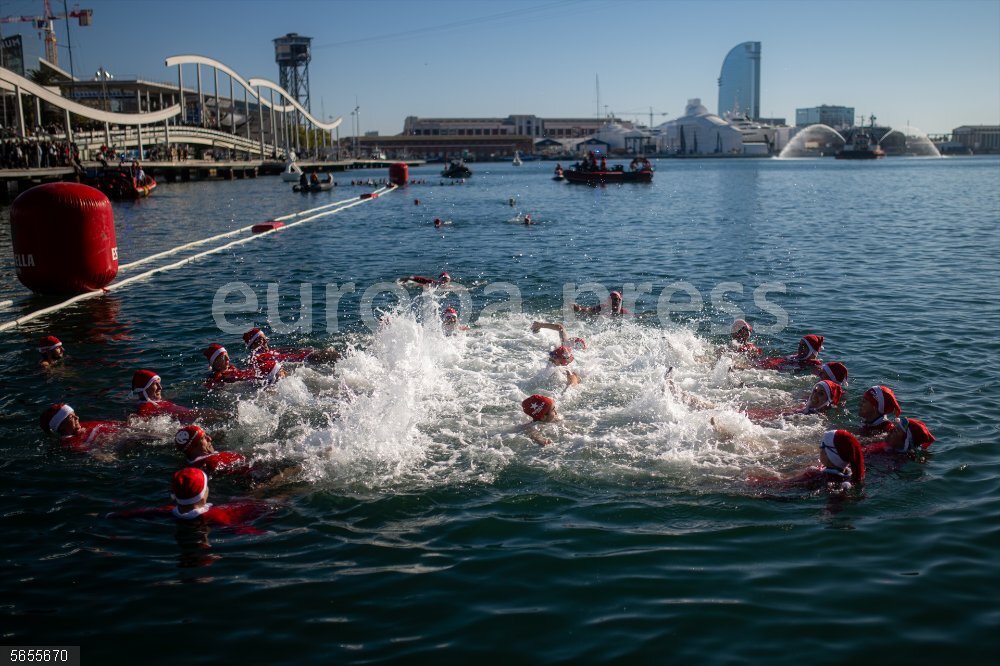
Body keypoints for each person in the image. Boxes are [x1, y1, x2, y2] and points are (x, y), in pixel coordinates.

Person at [105, 467, 272, 532]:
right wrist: (267, 534)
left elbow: (137, 513)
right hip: (260, 509)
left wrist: (111, 515)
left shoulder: (168, 512)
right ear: (204, 493)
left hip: (233, 505)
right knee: (274, 495)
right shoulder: (216, 517)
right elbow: (243, 530)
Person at [753, 430, 865, 491]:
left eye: (823, 445)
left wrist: (754, 483)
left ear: (830, 455)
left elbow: (782, 485)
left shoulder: (813, 475)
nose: (819, 448)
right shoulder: (847, 474)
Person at [39, 403, 128, 454]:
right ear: (61, 425)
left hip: (125, 432)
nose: (77, 417)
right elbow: (96, 453)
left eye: (75, 414)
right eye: (71, 417)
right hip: (122, 441)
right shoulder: (70, 444)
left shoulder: (81, 425)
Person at [744, 379, 843, 422]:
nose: (815, 395)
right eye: (815, 390)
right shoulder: (804, 406)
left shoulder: (817, 418)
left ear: (828, 401)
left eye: (821, 393)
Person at [243, 327, 340, 366]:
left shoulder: (268, 351)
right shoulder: (255, 357)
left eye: (265, 339)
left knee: (330, 351)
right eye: (261, 340)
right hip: (303, 360)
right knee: (329, 354)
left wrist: (300, 350)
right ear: (254, 344)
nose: (265, 342)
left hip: (304, 357)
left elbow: (284, 351)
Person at [863, 416, 935, 456]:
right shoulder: (884, 442)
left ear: (905, 441)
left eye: (896, 431)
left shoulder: (895, 459)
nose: (891, 431)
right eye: (895, 427)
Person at [755, 334, 824, 371]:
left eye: (804, 346)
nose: (799, 348)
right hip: (775, 363)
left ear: (812, 350)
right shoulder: (796, 356)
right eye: (799, 345)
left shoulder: (815, 364)